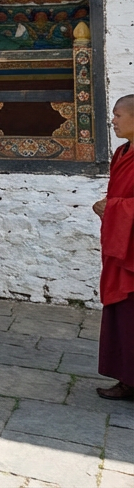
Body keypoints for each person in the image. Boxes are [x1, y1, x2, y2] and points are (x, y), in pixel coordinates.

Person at [94, 94, 134, 400]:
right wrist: (110, 207)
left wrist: (114, 207)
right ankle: (127, 379)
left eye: (118, 115)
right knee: (123, 317)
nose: (113, 120)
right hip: (122, 243)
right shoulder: (122, 152)